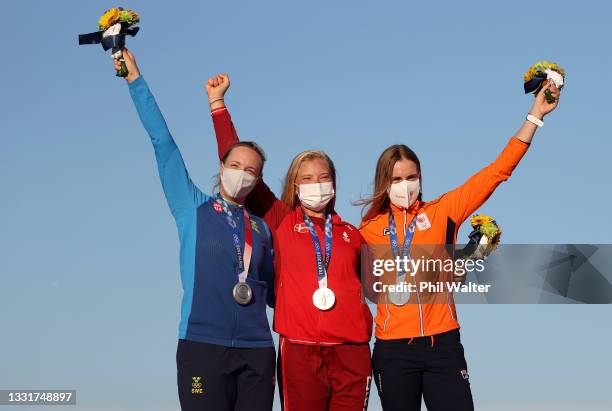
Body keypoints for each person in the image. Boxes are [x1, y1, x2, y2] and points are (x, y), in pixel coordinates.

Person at [358, 82, 562, 411]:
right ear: (384, 183)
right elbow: (366, 286)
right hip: (392, 349)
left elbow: (497, 172)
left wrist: (535, 116)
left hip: (444, 344)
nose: (404, 185)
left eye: (411, 177)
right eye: (396, 180)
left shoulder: (444, 210)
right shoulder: (368, 229)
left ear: (420, 178)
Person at [112, 50, 276, 411]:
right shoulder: (192, 206)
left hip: (258, 353)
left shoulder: (262, 229)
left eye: (251, 170)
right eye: (236, 164)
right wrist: (134, 80)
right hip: (203, 345)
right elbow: (163, 143)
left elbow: (280, 292)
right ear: (222, 166)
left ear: (258, 180)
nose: (242, 173)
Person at [206, 73, 374, 411]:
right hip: (299, 349)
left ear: (335, 185)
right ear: (295, 186)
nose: (317, 184)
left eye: (324, 177)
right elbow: (241, 164)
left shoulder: (352, 234)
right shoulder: (281, 220)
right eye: (307, 178)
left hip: (352, 350)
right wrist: (218, 105)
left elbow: (385, 280)